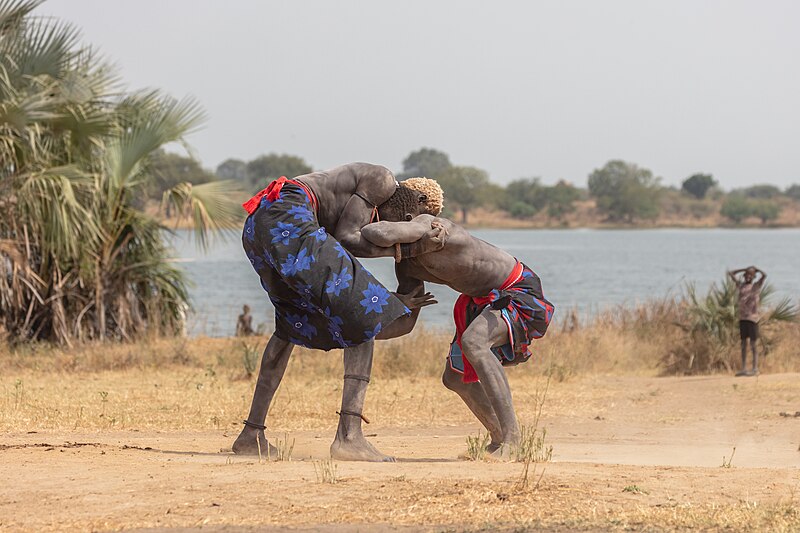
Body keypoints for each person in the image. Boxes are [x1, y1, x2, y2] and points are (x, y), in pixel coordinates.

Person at [233, 163, 444, 462]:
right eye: (402, 228)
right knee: (364, 314)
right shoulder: (381, 180)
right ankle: (349, 437)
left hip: (261, 226)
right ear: (409, 214)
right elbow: (347, 239)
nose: (392, 234)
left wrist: (394, 294)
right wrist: (408, 250)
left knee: (290, 323)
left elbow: (341, 246)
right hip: (288, 216)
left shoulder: (351, 199)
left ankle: (251, 435)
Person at [361, 187, 554, 458]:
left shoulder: (431, 225)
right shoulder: (406, 264)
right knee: (455, 378)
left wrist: (352, 229)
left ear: (406, 216)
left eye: (381, 214)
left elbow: (377, 234)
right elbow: (406, 324)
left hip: (515, 289)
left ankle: (513, 441)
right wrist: (361, 331)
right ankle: (499, 437)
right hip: (479, 301)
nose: (377, 219)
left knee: (474, 343)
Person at [728, 266, 767, 376]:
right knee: (743, 344)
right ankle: (744, 368)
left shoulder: (756, 286)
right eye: (746, 275)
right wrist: (744, 269)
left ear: (753, 277)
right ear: (744, 276)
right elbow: (731, 273)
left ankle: (755, 369)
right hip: (743, 318)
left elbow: (764, 275)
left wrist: (756, 269)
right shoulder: (741, 286)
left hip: (753, 319)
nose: (748, 277)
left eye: (750, 275)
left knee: (753, 344)